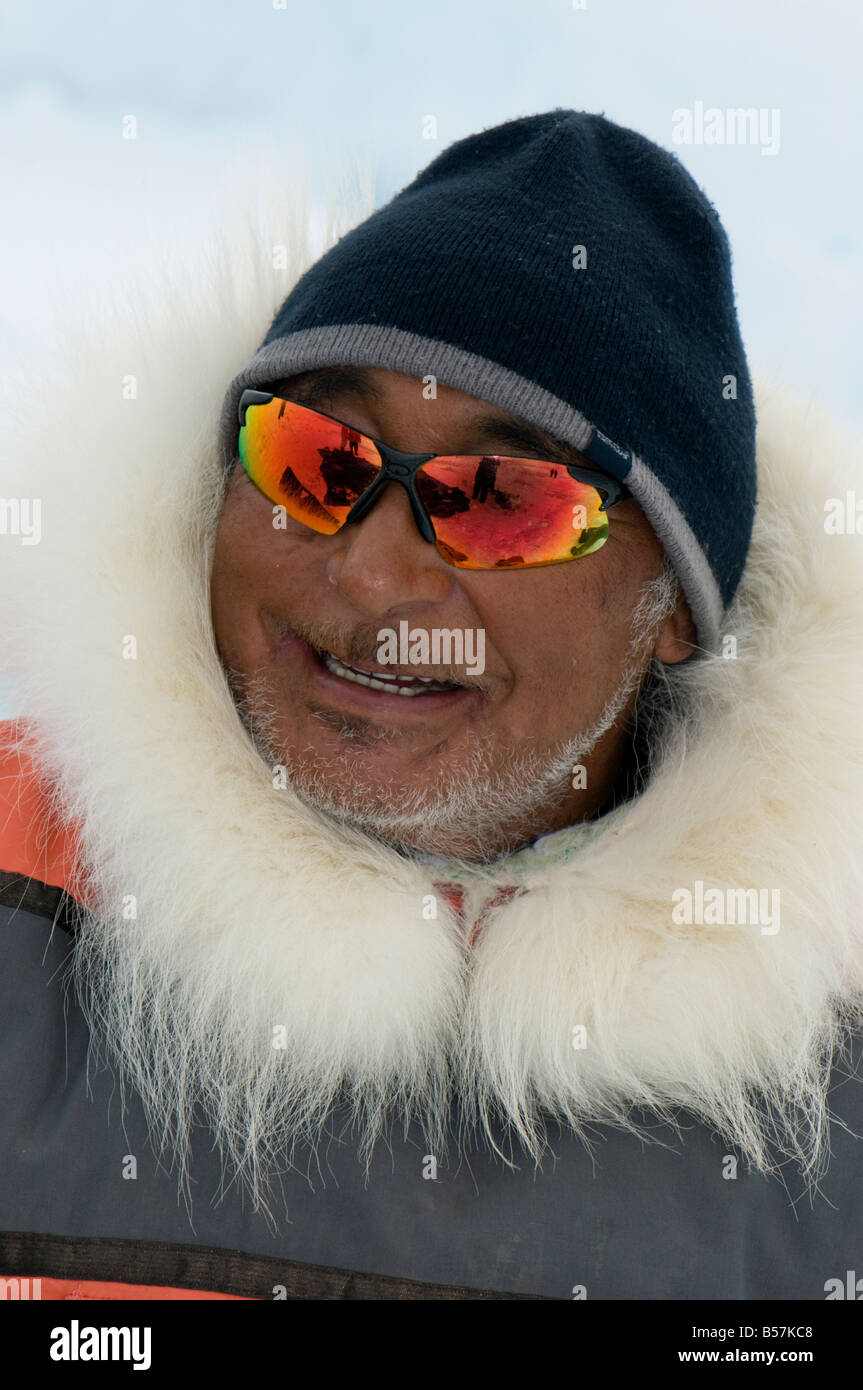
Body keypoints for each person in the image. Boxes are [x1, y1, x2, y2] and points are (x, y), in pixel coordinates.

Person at [1, 109, 861, 1301]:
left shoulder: (819, 1081)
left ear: (672, 602)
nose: (371, 576)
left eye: (503, 499)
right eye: (314, 458)